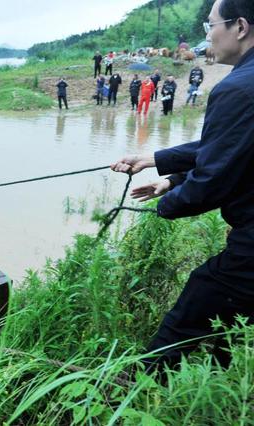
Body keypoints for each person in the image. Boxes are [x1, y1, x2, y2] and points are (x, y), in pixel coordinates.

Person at [111, 0, 254, 374]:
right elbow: (236, 150)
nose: (207, 36)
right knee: (235, 323)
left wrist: (166, 205)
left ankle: (140, 387)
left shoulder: (237, 89)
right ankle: (227, 375)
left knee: (197, 302)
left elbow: (214, 179)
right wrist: (162, 166)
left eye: (211, 25)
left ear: (239, 27)